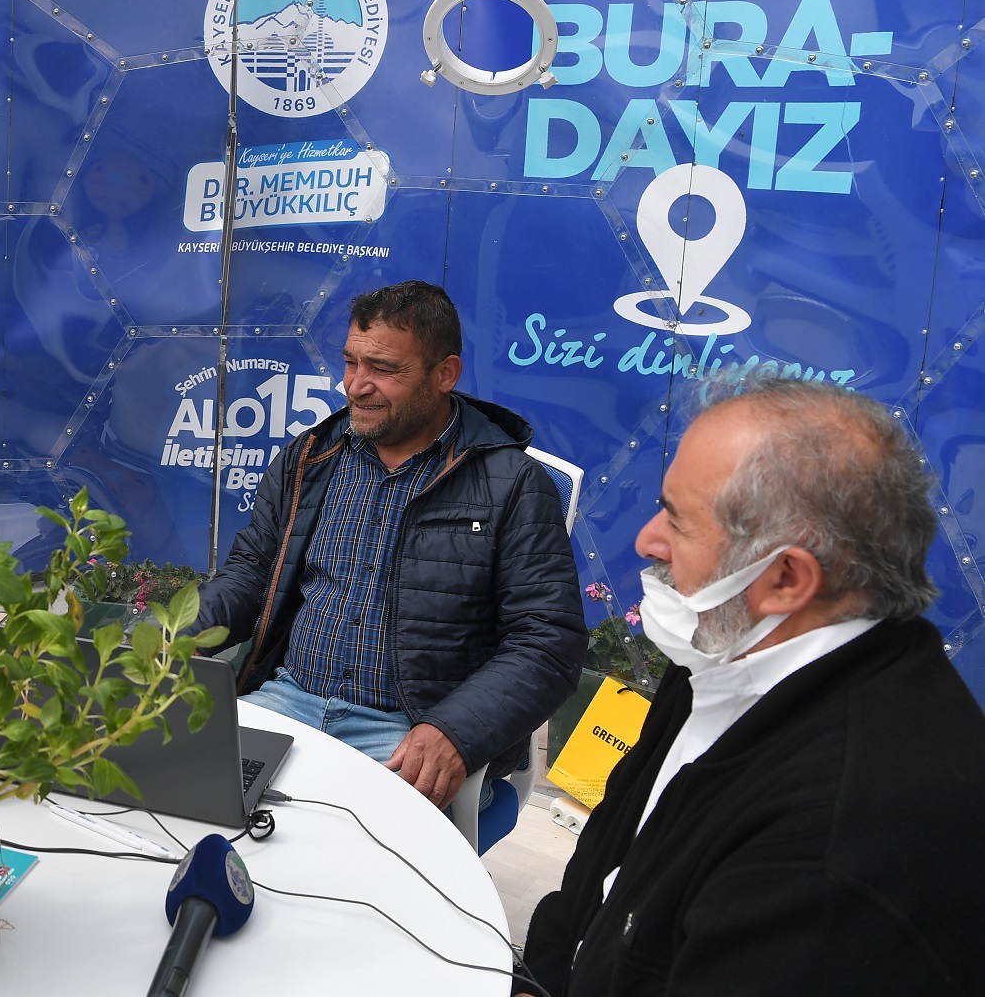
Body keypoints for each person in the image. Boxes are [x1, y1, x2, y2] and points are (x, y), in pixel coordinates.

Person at [520, 378, 985, 997]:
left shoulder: (844, 842)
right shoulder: (720, 656)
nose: (647, 540)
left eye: (677, 521)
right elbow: (603, 862)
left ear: (786, 579)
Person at [194, 280, 585, 807]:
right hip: (288, 699)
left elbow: (548, 641)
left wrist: (454, 731)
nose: (356, 386)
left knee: (348, 849)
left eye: (383, 369)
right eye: (350, 362)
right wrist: (173, 638)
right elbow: (251, 573)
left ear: (444, 374)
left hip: (410, 731)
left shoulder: (512, 483)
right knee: (180, 797)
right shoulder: (312, 457)